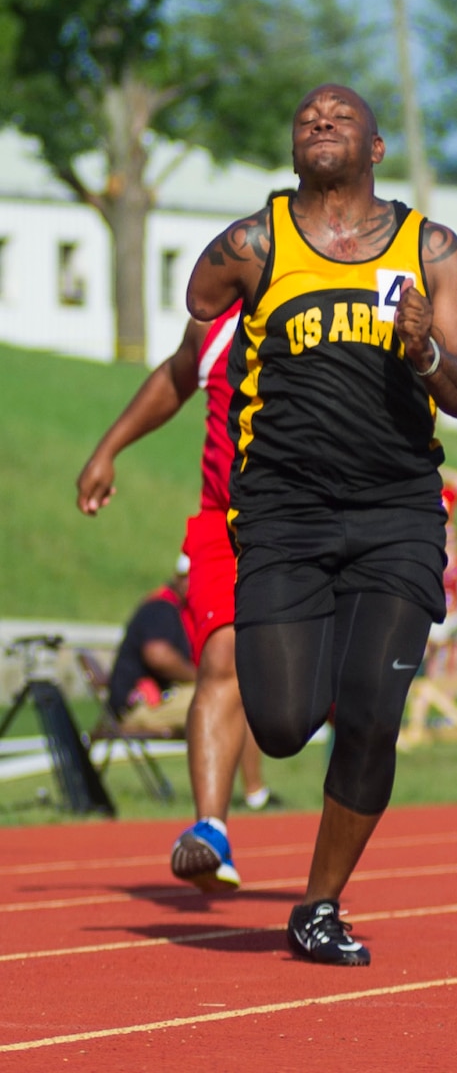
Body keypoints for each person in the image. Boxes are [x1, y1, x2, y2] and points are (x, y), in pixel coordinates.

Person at [188, 83, 457, 966]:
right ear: (294, 151)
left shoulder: (430, 249)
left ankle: (317, 905)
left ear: (377, 147)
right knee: (283, 723)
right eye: (306, 118)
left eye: (342, 117)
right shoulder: (254, 243)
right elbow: (199, 302)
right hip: (284, 512)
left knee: (372, 713)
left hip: (397, 510)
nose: (321, 120)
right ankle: (319, 679)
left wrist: (424, 351)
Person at [77, 297, 279, 893]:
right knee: (220, 660)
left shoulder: (329, 309)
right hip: (225, 523)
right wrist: (107, 448)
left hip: (308, 525)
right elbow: (174, 374)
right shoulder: (215, 324)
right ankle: (210, 831)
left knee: (303, 695)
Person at [105, 558, 200, 736]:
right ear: (176, 578)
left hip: (150, 704)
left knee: (227, 696)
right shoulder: (160, 607)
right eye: (189, 577)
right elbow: (158, 656)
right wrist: (199, 677)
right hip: (139, 708)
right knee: (227, 698)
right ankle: (245, 766)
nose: (195, 583)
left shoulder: (172, 609)